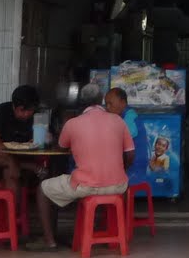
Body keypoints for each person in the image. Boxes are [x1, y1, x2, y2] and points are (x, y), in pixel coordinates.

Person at [38, 88, 134, 245]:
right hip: (118, 186)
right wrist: (118, 171)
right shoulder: (118, 121)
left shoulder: (72, 123)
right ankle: (104, 233)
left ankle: (49, 241)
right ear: (101, 100)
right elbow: (130, 155)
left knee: (42, 189)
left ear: (81, 103)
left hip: (85, 186)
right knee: (92, 187)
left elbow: (61, 148)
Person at [0, 85, 54, 248]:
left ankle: (11, 228)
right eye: (21, 111)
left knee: (11, 175)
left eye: (29, 111)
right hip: (1, 161)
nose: (25, 115)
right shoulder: (2, 111)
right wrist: (9, 159)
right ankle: (16, 164)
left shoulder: (39, 117)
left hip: (24, 168)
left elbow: (49, 142)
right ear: (13, 105)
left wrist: (47, 138)